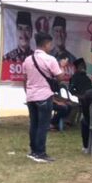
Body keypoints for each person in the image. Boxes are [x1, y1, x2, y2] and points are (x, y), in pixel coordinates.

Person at [22, 31, 66, 163]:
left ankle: (33, 151)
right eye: (50, 44)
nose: (51, 47)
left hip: (31, 96)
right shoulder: (50, 59)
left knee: (34, 124)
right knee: (43, 125)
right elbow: (59, 78)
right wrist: (62, 66)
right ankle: (41, 153)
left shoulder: (27, 60)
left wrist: (28, 92)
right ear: (46, 44)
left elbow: (24, 79)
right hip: (44, 96)